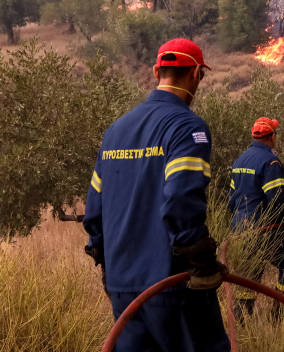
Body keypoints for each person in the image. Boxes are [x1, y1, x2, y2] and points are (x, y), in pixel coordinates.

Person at [83, 38, 229, 352]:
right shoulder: (188, 127)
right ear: (196, 75)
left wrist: (106, 260)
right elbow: (180, 199)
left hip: (124, 289)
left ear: (155, 71)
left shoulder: (116, 130)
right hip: (172, 286)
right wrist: (201, 259)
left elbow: (94, 207)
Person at [228, 117, 284, 321]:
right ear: (272, 136)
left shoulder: (240, 160)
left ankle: (241, 322)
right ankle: (278, 313)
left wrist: (236, 226)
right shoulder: (270, 162)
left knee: (248, 278)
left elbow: (231, 199)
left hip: (242, 231)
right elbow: (277, 199)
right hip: (265, 229)